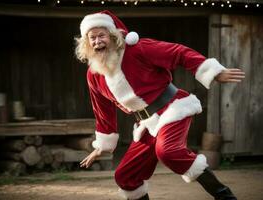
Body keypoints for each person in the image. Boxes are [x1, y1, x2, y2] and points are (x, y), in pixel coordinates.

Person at [76, 10, 245, 200]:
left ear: (113, 35)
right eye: (92, 38)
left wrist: (211, 71)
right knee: (125, 176)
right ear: (86, 43)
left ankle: (225, 196)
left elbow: (178, 53)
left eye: (101, 35)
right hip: (146, 124)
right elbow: (103, 110)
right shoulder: (93, 74)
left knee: (168, 152)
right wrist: (102, 145)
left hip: (172, 108)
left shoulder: (137, 49)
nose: (97, 41)